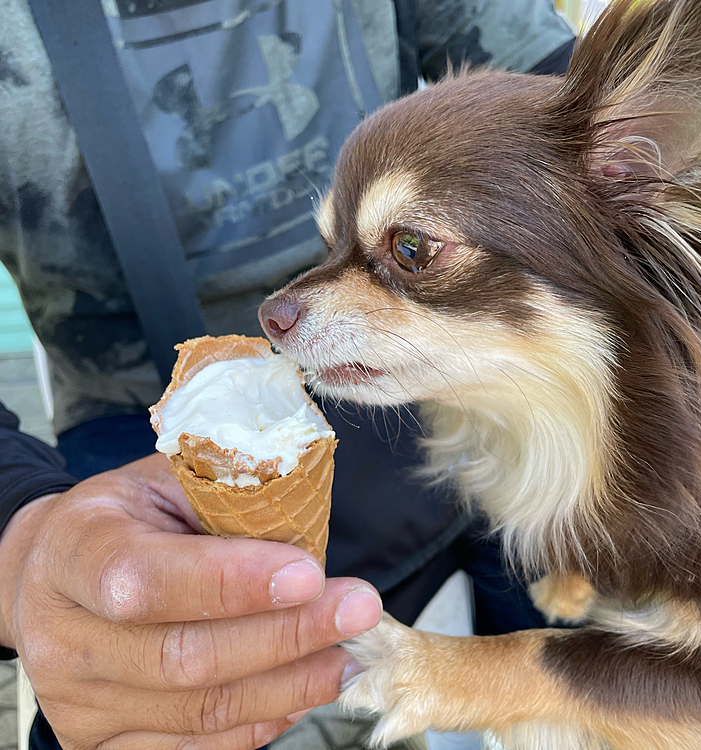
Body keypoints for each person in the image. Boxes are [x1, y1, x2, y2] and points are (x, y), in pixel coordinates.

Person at [0, 1, 576, 748]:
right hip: (132, 427)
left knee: (603, 637)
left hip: (440, 368)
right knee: (121, 706)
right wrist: (21, 543)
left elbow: (560, 103)